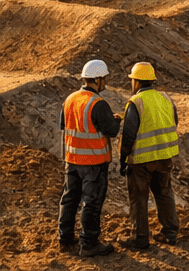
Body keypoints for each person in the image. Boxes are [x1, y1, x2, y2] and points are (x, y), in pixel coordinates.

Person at [58, 59, 122, 257]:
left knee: (69, 199)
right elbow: (111, 130)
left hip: (72, 159)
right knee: (91, 203)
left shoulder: (70, 99)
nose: (106, 83)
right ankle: (89, 243)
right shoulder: (98, 103)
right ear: (97, 79)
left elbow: (65, 125)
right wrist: (116, 119)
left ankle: (65, 238)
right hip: (93, 162)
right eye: (105, 79)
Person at [119, 62, 179, 251]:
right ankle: (170, 233)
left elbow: (128, 135)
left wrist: (123, 159)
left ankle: (140, 239)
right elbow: (174, 121)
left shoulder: (135, 102)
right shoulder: (165, 98)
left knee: (139, 197)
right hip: (164, 156)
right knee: (164, 192)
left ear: (136, 82)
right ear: (152, 80)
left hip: (142, 161)